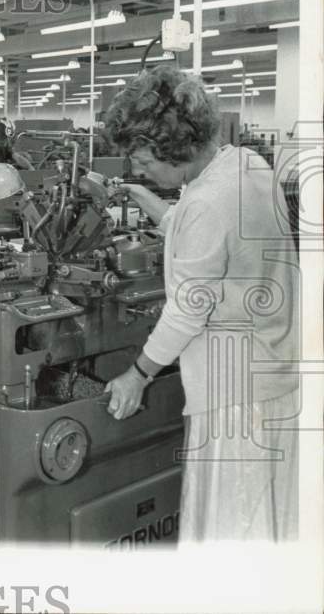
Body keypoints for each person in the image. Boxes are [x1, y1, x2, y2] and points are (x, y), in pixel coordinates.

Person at [103, 65, 298, 542]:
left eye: (139, 156)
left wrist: (138, 374)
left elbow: (187, 309)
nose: (135, 166)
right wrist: (141, 195)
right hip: (275, 375)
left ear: (169, 143)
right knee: (269, 523)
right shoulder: (245, 166)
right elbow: (203, 232)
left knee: (232, 532)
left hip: (236, 398)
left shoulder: (206, 204)